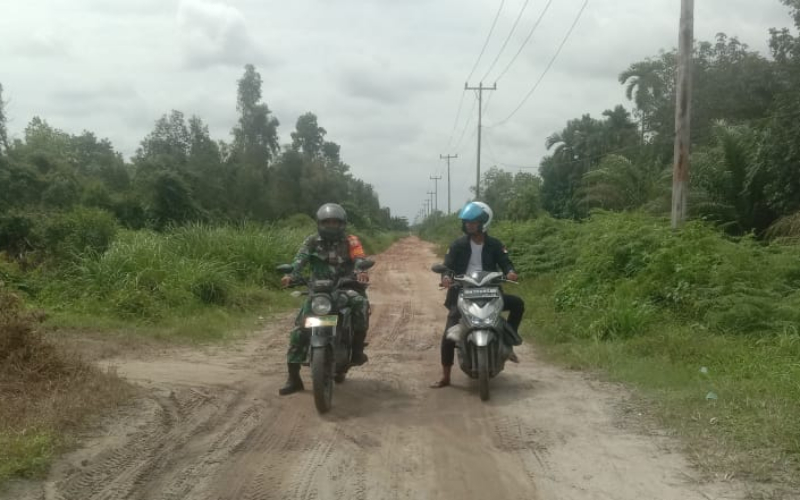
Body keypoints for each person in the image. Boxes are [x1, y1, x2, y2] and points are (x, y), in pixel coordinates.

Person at [278, 202, 371, 396]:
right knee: (299, 328)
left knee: (361, 304)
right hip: (318, 291)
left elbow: (359, 257)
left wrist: (361, 270)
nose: (331, 226)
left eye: (335, 222)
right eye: (327, 222)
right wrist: (291, 275)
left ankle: (357, 349)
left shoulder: (351, 240)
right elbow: (300, 259)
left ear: (342, 223)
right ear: (320, 223)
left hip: (345, 287)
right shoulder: (312, 241)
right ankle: (293, 378)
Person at [430, 201, 525, 389]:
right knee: (449, 334)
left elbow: (505, 262)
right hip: (462, 292)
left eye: (473, 222)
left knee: (517, 304)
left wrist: (510, 272)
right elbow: (447, 265)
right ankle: (445, 376)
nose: (468, 225)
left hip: (490, 291)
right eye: (467, 222)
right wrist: (447, 277)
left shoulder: (495, 244)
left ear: (483, 222)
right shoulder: (457, 244)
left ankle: (508, 342)